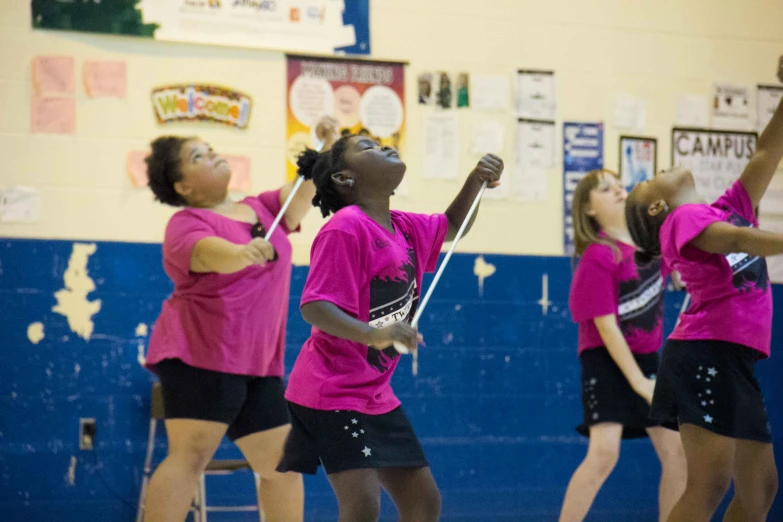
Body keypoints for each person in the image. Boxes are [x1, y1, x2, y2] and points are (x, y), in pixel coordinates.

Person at [276, 134, 503, 522]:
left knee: (423, 502)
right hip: (329, 392)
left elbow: (453, 226)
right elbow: (315, 307)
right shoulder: (345, 228)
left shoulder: (403, 226)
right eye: (368, 148)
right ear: (346, 179)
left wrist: (475, 181)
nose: (383, 147)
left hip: (374, 393)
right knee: (362, 506)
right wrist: (375, 334)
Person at [140, 116, 339, 522]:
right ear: (183, 186)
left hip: (258, 364)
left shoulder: (263, 207)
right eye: (198, 155)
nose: (212, 154)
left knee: (283, 465)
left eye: (210, 148)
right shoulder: (186, 223)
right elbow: (210, 252)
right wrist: (241, 253)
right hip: (201, 356)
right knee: (190, 459)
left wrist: (327, 145)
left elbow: (302, 192)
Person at [625, 95, 783, 522]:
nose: (664, 167)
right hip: (705, 356)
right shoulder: (683, 221)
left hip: (730, 359)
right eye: (656, 176)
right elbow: (732, 240)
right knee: (710, 483)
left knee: (761, 486)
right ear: (659, 207)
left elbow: (768, 151)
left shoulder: (727, 209)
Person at [559, 169, 687, 522]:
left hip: (649, 360)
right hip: (607, 362)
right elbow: (607, 328)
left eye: (620, 184)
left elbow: (681, 273)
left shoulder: (652, 248)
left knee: (676, 452)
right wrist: (639, 383)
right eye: (605, 187)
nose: (618, 189)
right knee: (604, 453)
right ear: (587, 208)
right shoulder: (598, 256)